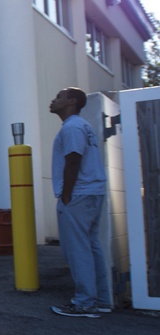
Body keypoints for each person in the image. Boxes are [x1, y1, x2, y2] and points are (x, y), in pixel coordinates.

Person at [48, 87, 110, 318]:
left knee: (78, 250)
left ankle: (85, 303)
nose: (53, 100)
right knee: (91, 246)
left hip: (78, 195)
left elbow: (73, 160)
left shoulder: (72, 127)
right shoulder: (82, 126)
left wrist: (66, 194)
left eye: (58, 97)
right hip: (92, 193)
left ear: (72, 102)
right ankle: (101, 299)